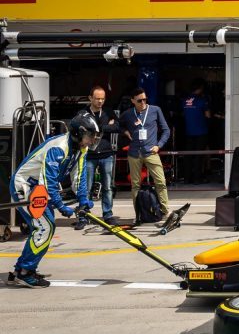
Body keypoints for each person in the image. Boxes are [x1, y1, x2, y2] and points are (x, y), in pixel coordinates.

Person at [7, 113, 98, 288]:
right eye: (89, 136)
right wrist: (61, 206)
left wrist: (83, 200)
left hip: (39, 188)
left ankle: (22, 269)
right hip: (25, 186)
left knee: (46, 226)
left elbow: (79, 176)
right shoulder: (59, 148)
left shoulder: (81, 148)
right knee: (45, 226)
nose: (92, 141)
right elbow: (49, 181)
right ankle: (25, 272)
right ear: (78, 133)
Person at [120, 87, 171, 220]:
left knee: (160, 182)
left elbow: (166, 130)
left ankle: (166, 211)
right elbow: (119, 125)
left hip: (151, 152)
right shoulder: (128, 114)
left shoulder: (155, 110)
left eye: (144, 99)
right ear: (133, 101)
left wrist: (158, 145)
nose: (143, 102)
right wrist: (125, 133)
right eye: (139, 100)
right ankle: (138, 214)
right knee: (135, 185)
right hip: (134, 153)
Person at [75, 86, 120, 229]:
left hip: (106, 153)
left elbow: (117, 127)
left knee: (108, 187)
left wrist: (98, 128)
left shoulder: (108, 111)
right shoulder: (83, 113)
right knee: (85, 187)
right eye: (97, 98)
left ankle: (108, 214)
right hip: (89, 155)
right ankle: (84, 215)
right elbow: (76, 128)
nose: (100, 101)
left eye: (102, 98)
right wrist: (105, 126)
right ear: (90, 98)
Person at [180, 79, 212, 184]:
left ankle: (186, 178)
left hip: (188, 132)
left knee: (188, 156)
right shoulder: (202, 100)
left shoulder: (184, 100)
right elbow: (208, 115)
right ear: (200, 88)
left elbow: (183, 114)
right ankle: (197, 179)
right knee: (199, 156)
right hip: (201, 132)